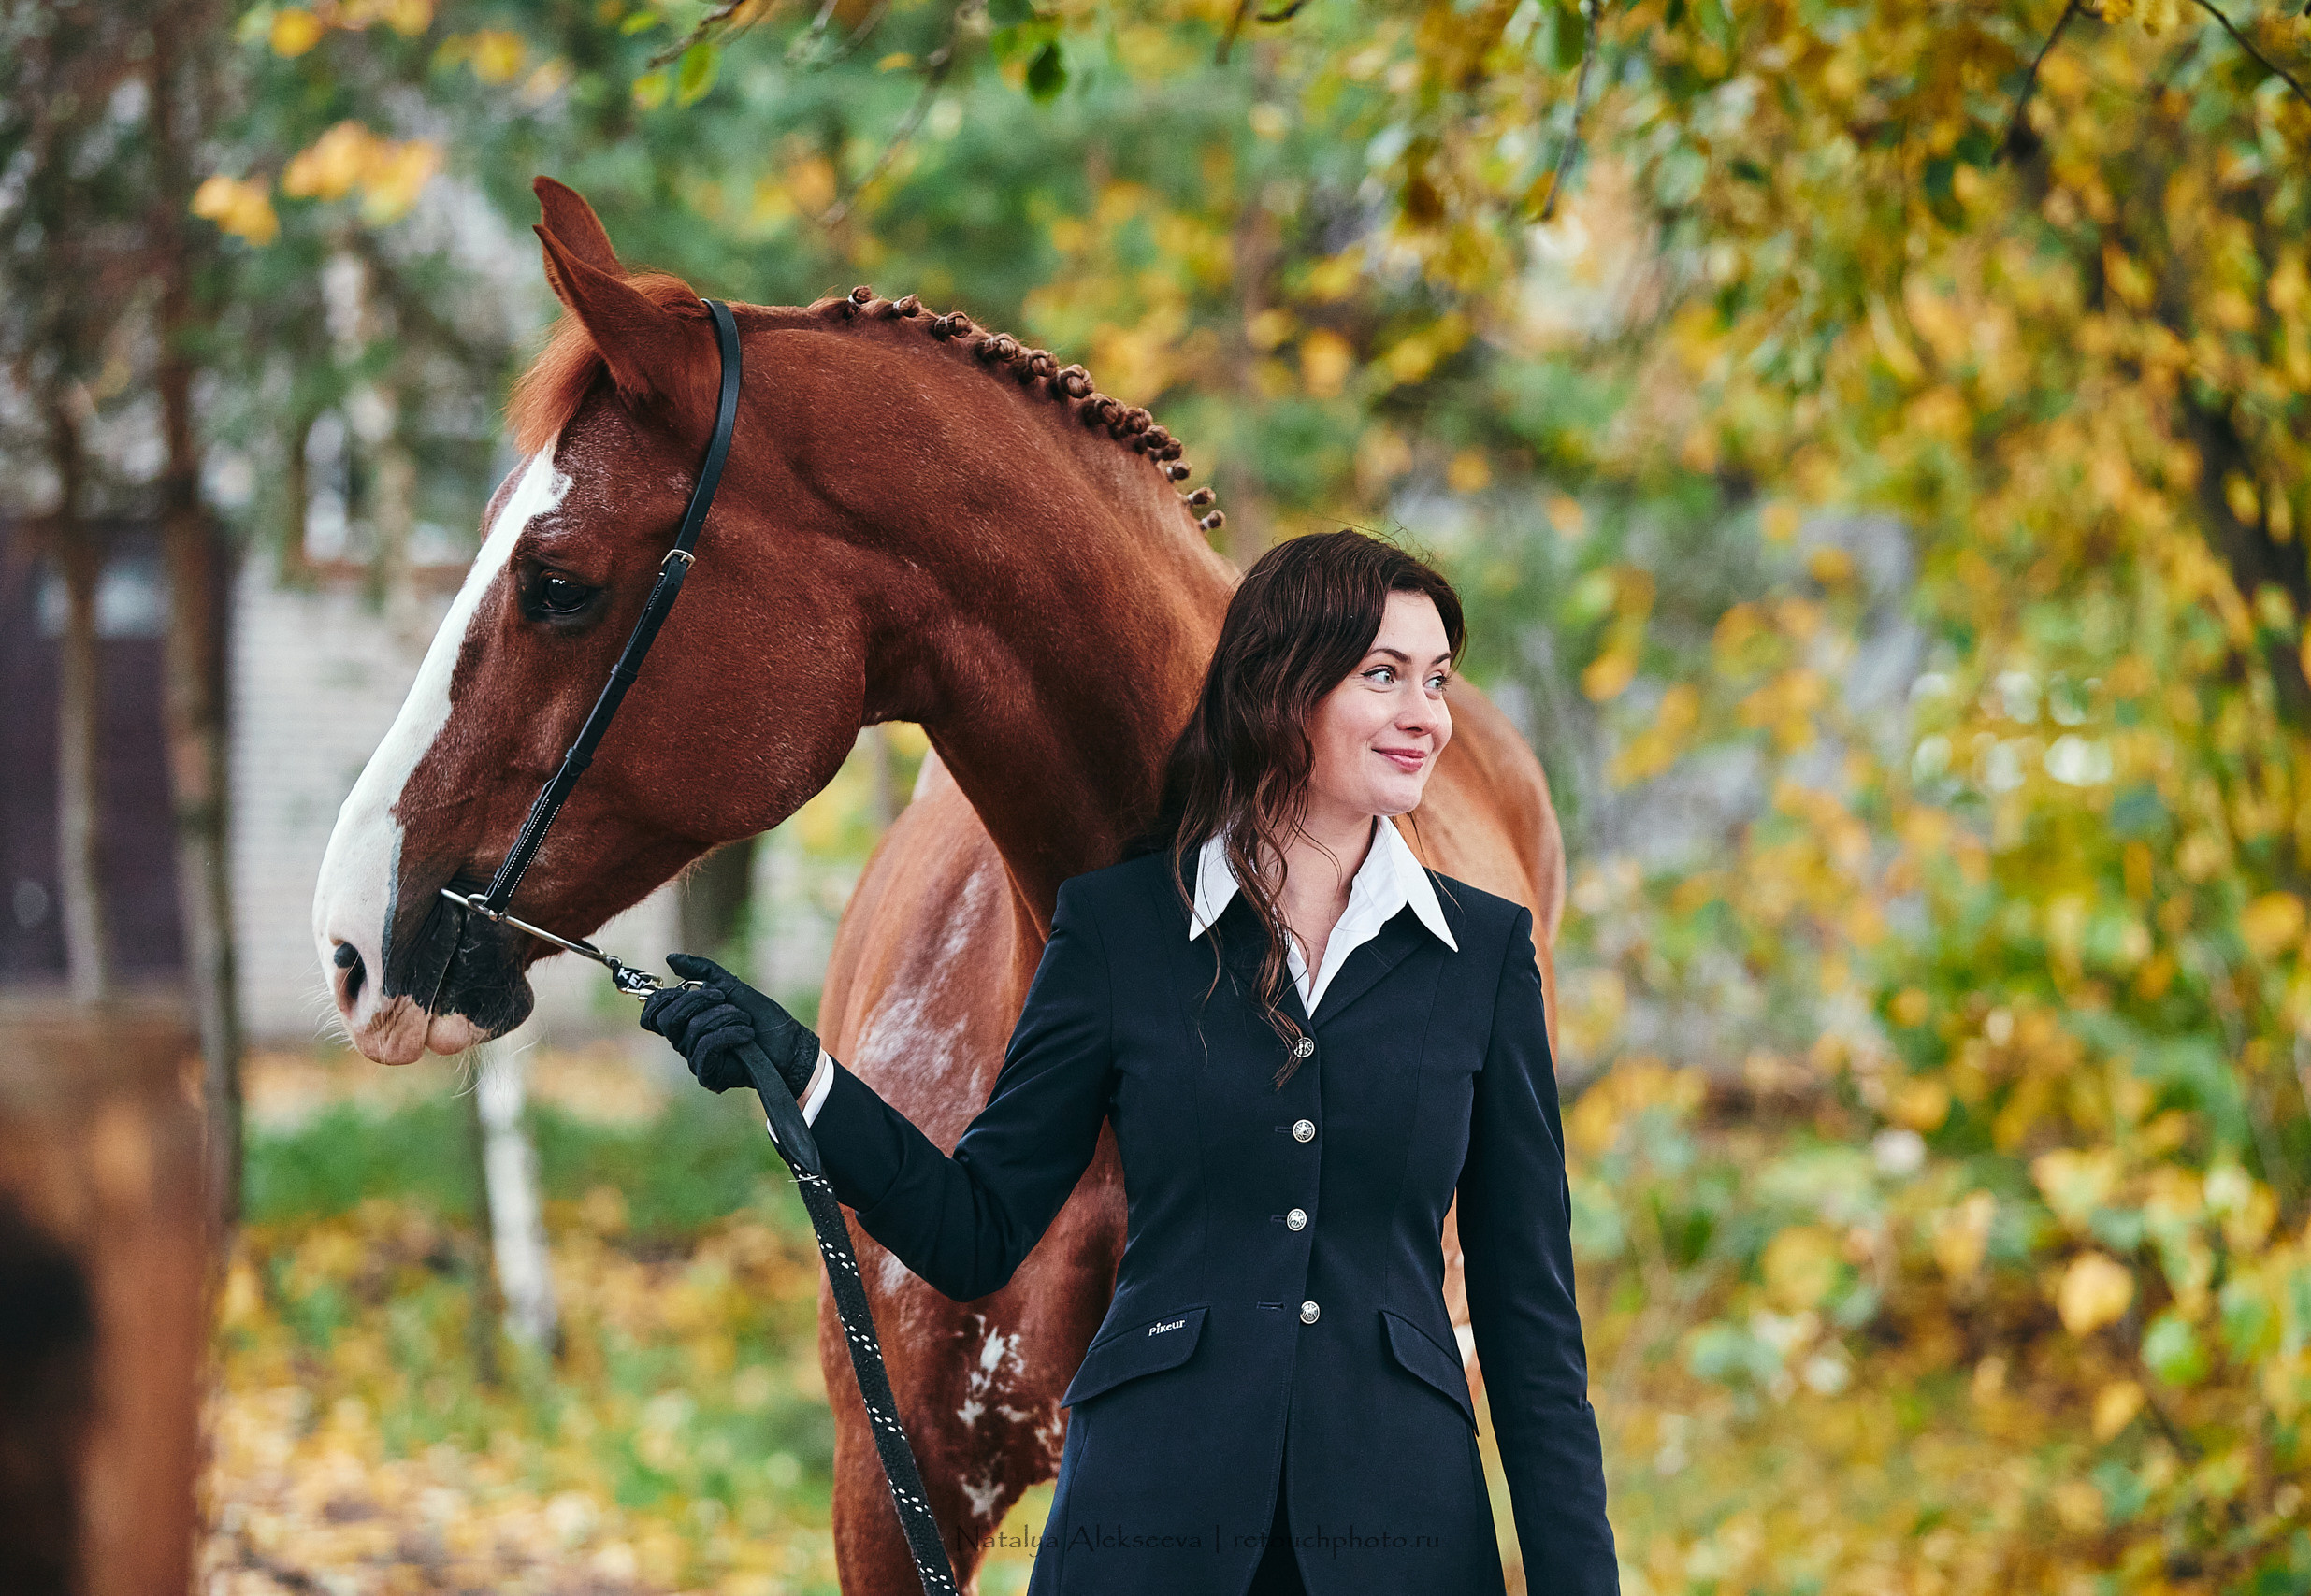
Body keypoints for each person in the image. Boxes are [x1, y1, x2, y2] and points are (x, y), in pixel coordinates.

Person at [643, 529, 1620, 1595]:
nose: (1427, 716)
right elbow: (976, 1231)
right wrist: (805, 1078)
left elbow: (1530, 1324)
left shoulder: (1483, 954)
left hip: (1407, 1535)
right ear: (1275, 691)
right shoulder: (1120, 931)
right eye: (1383, 676)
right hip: (1146, 1526)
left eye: (1436, 680)